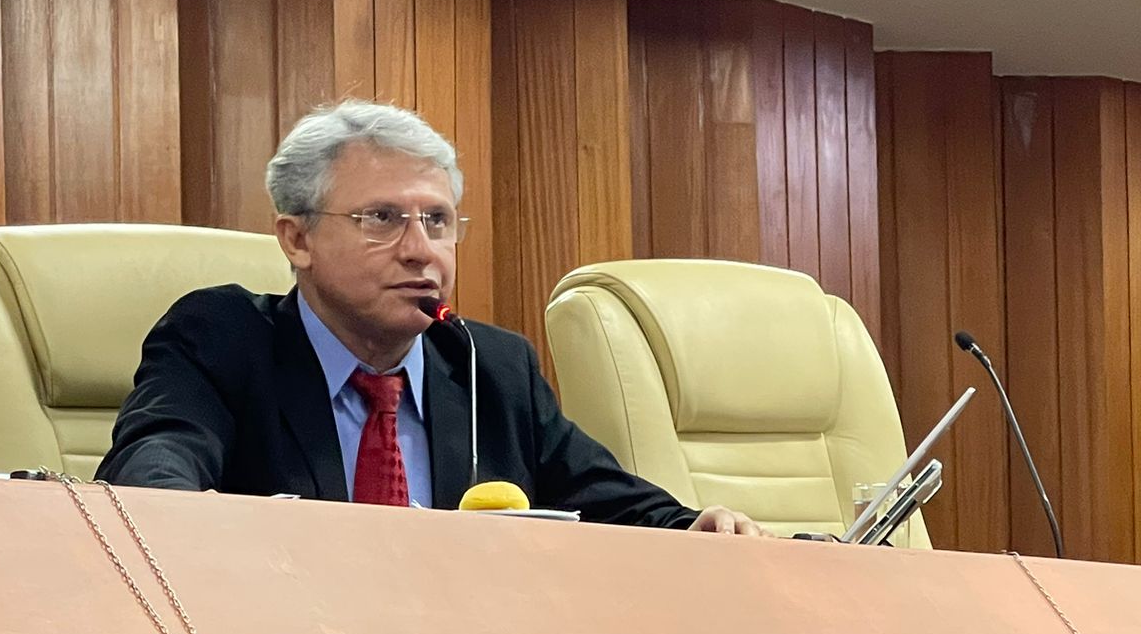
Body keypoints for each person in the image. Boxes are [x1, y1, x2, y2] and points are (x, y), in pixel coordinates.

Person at [98, 100, 768, 535]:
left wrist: (694, 526)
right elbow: (157, 460)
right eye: (382, 218)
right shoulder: (224, 339)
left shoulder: (486, 364)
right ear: (297, 239)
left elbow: (603, 497)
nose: (421, 250)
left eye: (438, 221)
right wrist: (180, 519)